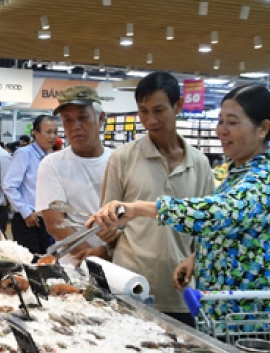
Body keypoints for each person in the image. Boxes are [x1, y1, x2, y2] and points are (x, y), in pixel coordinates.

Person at [90, 84, 270, 329]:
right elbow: (235, 230)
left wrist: (138, 208)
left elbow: (218, 213)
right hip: (219, 313)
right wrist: (198, 256)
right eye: (220, 121)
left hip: (247, 320)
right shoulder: (239, 174)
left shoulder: (269, 178)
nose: (222, 130)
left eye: (232, 122)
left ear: (262, 128)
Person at [85, 72, 215, 328]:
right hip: (129, 289)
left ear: (178, 106)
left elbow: (208, 226)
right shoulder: (123, 158)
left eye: (159, 110)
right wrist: (108, 231)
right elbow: (108, 220)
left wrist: (195, 257)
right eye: (143, 111)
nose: (150, 120)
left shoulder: (199, 164)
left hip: (179, 294)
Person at [36, 85, 113, 265]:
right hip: (75, 266)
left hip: (119, 262)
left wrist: (109, 251)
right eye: (68, 120)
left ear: (101, 118)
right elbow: (56, 224)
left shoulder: (119, 161)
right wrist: (94, 259)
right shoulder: (52, 164)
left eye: (83, 117)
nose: (75, 126)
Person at [3, 115, 58, 256]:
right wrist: (26, 212)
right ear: (36, 133)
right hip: (27, 219)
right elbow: (9, 185)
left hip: (46, 219)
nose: (52, 137)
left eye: (55, 132)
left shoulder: (51, 157)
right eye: (48, 132)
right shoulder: (24, 154)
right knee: (30, 262)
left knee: (46, 260)